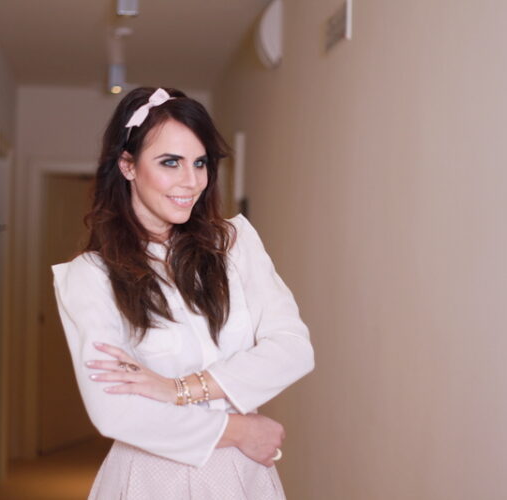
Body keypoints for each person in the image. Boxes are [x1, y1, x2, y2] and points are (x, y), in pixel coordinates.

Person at [51, 87, 314, 499]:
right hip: (151, 477)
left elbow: (293, 349)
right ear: (128, 165)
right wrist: (237, 430)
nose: (191, 182)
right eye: (170, 162)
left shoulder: (234, 244)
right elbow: (114, 410)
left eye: (200, 162)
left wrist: (179, 389)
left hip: (243, 476)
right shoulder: (91, 276)